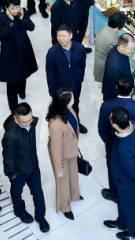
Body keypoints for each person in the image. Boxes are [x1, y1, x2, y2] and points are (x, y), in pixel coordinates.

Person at [2, 103, 49, 231]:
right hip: (19, 172)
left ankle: (40, 216)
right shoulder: (10, 136)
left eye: (30, 119)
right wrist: (12, 174)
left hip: (33, 166)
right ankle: (19, 211)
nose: (28, 124)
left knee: (38, 192)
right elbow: (8, 157)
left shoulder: (31, 123)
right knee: (16, 193)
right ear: (15, 118)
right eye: (24, 122)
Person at [105, 107, 135, 240]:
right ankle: (121, 223)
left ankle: (134, 232)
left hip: (125, 182)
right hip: (124, 178)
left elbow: (131, 170)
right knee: (123, 203)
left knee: (129, 207)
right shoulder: (134, 125)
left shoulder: (123, 147)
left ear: (115, 125)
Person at [44, 89, 83, 220]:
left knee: (73, 175)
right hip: (61, 155)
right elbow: (55, 149)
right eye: (72, 98)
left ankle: (74, 195)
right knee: (62, 182)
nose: (74, 99)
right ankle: (64, 206)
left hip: (71, 151)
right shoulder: (55, 124)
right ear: (64, 102)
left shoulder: (69, 109)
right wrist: (59, 169)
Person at [0, 0, 38, 111]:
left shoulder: (23, 12)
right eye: (12, 8)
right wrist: (11, 21)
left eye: (17, 7)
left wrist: (24, 18)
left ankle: (22, 91)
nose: (15, 10)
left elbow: (31, 27)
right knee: (11, 80)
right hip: (9, 53)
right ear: (6, 7)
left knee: (23, 72)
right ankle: (13, 108)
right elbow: (2, 34)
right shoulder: (1, 17)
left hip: (23, 49)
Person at [45, 24, 88, 128]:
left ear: (71, 35)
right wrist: (53, 92)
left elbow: (82, 66)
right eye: (58, 36)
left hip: (75, 86)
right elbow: (50, 73)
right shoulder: (52, 52)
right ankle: (62, 126)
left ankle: (76, 123)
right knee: (60, 109)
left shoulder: (80, 48)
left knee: (75, 105)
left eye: (63, 36)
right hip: (60, 89)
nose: (61, 39)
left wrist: (79, 80)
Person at [94, 11, 126, 84]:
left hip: (100, 62)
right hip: (105, 69)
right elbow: (116, 57)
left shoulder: (105, 29)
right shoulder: (112, 39)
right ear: (119, 26)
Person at [103, 33, 135, 101]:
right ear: (121, 47)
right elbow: (114, 88)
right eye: (130, 49)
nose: (132, 51)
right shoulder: (114, 67)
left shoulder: (119, 49)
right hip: (115, 96)